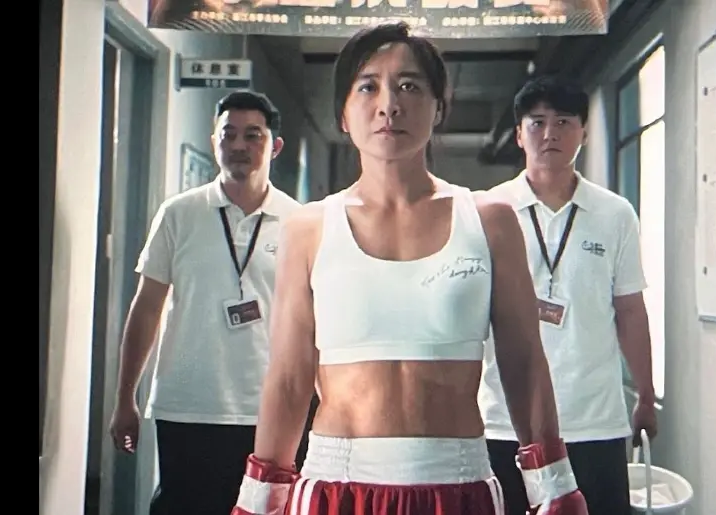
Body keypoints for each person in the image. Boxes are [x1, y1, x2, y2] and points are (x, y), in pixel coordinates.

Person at [230, 23, 589, 515]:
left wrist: (555, 487)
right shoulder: (308, 227)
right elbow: (290, 380)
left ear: (438, 107)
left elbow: (523, 364)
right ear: (343, 113)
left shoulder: (490, 220)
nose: (389, 104)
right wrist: (256, 501)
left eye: (409, 86)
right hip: (337, 487)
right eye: (368, 86)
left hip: (458, 485)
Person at [108, 90, 304, 515]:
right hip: (188, 404)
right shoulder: (179, 214)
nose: (238, 145)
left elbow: (315, 322)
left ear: (275, 146)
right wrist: (125, 398)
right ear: (214, 141)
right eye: (228, 134)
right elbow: (146, 307)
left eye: (252, 135)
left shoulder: (299, 222)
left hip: (270, 409)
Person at [477, 75, 658, 515]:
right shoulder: (488, 211)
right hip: (504, 420)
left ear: (584, 132)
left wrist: (646, 394)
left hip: (594, 420)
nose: (550, 133)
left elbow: (630, 310)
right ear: (519, 134)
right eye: (537, 122)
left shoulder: (614, 214)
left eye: (563, 122)